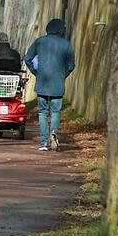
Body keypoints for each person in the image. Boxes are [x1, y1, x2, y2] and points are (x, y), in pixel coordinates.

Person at [24, 18, 75, 152]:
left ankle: (44, 142)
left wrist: (36, 72)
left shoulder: (40, 42)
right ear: (61, 30)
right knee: (56, 112)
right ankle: (54, 133)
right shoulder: (66, 44)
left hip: (42, 83)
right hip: (57, 85)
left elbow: (28, 58)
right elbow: (71, 65)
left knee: (42, 113)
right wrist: (62, 75)